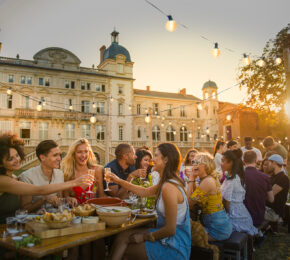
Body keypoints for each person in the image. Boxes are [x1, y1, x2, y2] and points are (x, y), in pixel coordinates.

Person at [106, 143, 191, 260]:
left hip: (174, 246)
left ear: (165, 160)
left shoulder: (169, 188)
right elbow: (144, 191)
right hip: (167, 238)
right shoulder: (166, 182)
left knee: (126, 250)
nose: (152, 159)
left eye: (156, 156)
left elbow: (171, 229)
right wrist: (118, 180)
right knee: (122, 236)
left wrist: (144, 237)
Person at [0, 134, 93, 224]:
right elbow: (39, 191)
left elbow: (60, 199)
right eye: (10, 159)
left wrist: (67, 199)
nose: (17, 160)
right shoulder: (12, 179)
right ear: (42, 158)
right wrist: (75, 182)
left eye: (17, 155)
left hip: (49, 221)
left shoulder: (14, 178)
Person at [19, 140, 77, 213]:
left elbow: (59, 201)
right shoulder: (27, 176)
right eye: (55, 155)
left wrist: (67, 199)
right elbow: (24, 210)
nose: (59, 158)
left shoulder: (60, 174)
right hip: (34, 220)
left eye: (59, 155)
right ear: (42, 158)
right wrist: (43, 199)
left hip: (55, 218)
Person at [187, 153, 232, 241]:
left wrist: (191, 179)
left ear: (205, 165)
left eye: (196, 162)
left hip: (217, 230)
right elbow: (196, 197)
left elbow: (188, 204)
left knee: (185, 237)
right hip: (215, 224)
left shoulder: (207, 181)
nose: (193, 165)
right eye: (193, 162)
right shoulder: (206, 179)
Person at [220, 150, 258, 236]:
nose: (221, 163)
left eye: (223, 161)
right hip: (242, 212)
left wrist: (223, 217)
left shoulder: (231, 180)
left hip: (235, 216)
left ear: (231, 163)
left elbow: (226, 203)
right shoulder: (236, 176)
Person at [61, 138, 105, 204]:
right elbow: (65, 197)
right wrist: (69, 199)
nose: (83, 155)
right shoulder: (67, 173)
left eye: (86, 151)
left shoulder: (97, 170)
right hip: (75, 212)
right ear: (73, 154)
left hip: (94, 212)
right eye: (79, 152)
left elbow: (101, 196)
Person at [243, 150, 274, 227]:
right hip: (258, 216)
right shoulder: (265, 177)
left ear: (243, 161)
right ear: (256, 161)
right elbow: (271, 199)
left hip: (242, 216)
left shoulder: (239, 176)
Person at [265, 154, 290, 228]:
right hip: (267, 208)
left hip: (273, 212)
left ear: (274, 163)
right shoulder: (273, 176)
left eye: (269, 163)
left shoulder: (283, 178)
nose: (267, 165)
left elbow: (270, 195)